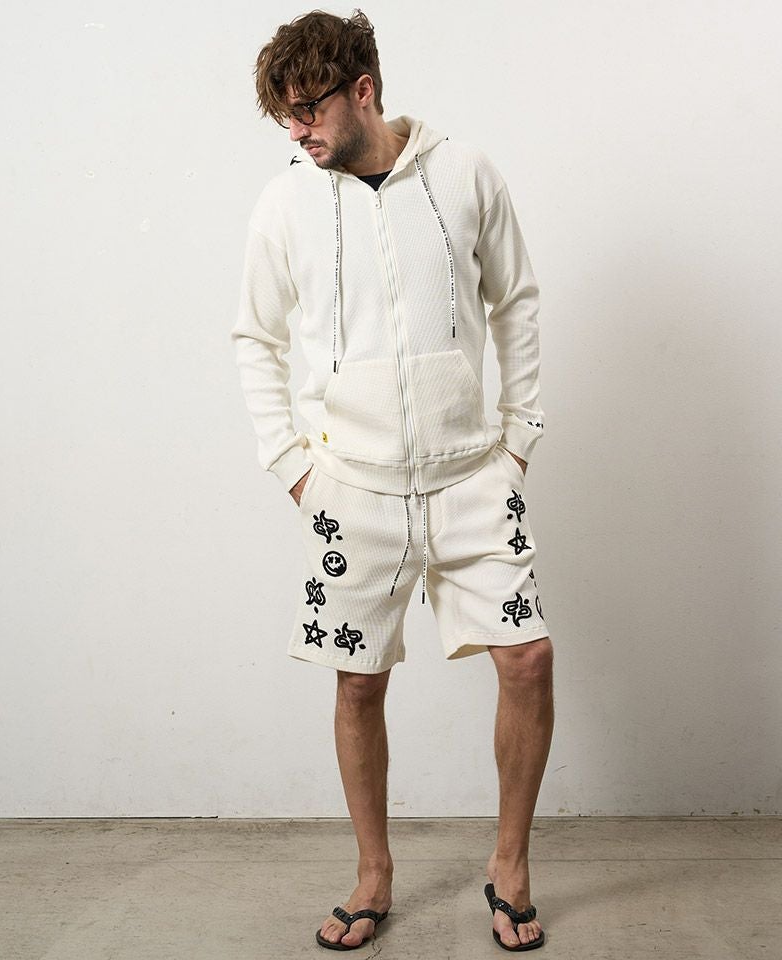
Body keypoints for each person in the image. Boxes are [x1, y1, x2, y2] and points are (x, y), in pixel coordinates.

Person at [230, 8, 554, 953]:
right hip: (353, 491)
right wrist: (293, 467)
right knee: (358, 683)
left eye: (308, 110)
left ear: (362, 89)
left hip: (470, 479)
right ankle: (373, 872)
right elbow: (254, 338)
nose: (297, 131)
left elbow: (516, 301)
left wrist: (518, 439)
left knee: (528, 659)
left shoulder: (465, 173)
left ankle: (510, 864)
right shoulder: (285, 204)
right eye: (285, 118)